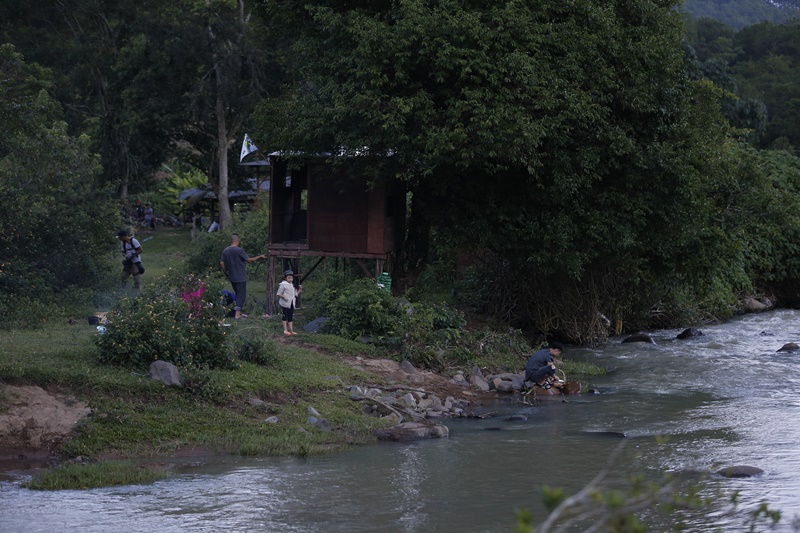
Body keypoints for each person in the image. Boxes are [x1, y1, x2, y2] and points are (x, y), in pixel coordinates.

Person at [219, 234, 266, 319]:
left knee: (238, 294)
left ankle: (238, 312)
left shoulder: (225, 250)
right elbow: (249, 260)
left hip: (232, 277)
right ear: (238, 241)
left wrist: (225, 272)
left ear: (231, 241)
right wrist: (260, 257)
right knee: (241, 296)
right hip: (240, 276)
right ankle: (237, 315)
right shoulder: (239, 250)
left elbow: (221, 263)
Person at [276, 269, 302, 336]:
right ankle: (285, 330)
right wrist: (284, 297)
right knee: (285, 316)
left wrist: (300, 290)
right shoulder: (283, 284)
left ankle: (291, 330)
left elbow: (295, 294)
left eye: (291, 278)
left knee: (290, 317)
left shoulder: (292, 285)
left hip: (291, 303)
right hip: (285, 303)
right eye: (289, 278)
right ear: (285, 278)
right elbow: (278, 293)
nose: (290, 279)